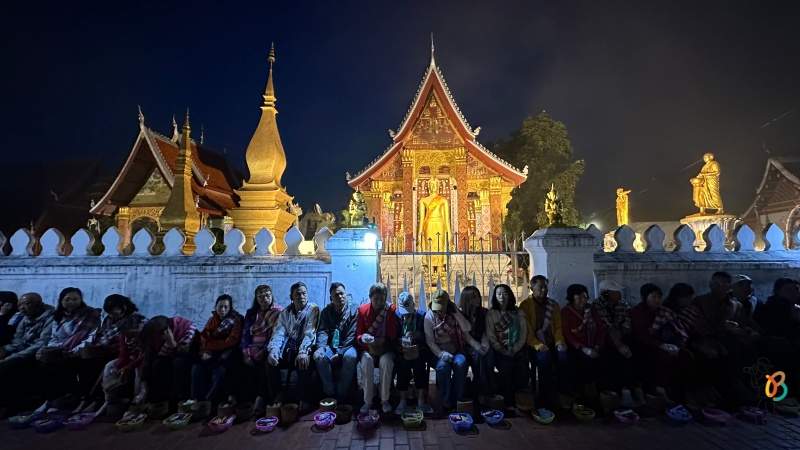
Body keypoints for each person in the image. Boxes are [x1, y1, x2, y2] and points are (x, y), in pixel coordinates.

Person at [36, 287, 101, 411]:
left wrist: (73, 351)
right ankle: (52, 399)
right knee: (44, 362)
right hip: (60, 350)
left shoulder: (90, 314)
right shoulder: (58, 315)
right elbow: (54, 337)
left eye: (75, 299)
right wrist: (53, 349)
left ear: (81, 300)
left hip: (78, 351)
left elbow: (90, 336)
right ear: (61, 301)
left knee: (69, 364)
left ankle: (68, 399)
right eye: (67, 299)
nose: (71, 302)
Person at [77, 294, 145, 412]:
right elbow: (101, 336)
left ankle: (100, 399)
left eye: (115, 311)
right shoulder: (108, 320)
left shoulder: (136, 319)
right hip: (108, 350)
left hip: (127, 352)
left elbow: (136, 343)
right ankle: (89, 399)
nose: (112, 315)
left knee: (107, 366)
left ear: (124, 307)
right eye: (110, 312)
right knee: (86, 363)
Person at [424, 289, 482, 414]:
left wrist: (455, 313)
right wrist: (441, 354)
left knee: (461, 363)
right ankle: (446, 400)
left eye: (442, 306)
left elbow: (467, 328)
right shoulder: (429, 316)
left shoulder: (454, 314)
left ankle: (458, 398)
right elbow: (430, 341)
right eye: (437, 307)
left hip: (456, 350)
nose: (439, 310)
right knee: (443, 367)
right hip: (438, 353)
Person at [267, 281, 320, 412]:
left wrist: (303, 352)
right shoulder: (285, 313)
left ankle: (304, 399)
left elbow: (310, 333)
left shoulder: (313, 309)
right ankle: (278, 394)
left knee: (304, 362)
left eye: (304, 293)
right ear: (291, 297)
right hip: (289, 347)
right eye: (297, 294)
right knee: (270, 361)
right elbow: (279, 333)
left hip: (306, 346)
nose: (301, 296)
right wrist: (274, 350)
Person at [0, 293, 54, 415]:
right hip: (21, 351)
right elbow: (18, 340)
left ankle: (10, 407)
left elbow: (42, 343)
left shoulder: (50, 317)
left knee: (6, 367)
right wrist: (6, 350)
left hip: (36, 353)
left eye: (27, 304)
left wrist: (12, 357)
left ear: (39, 304)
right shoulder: (24, 318)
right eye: (20, 305)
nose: (22, 308)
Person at [518, 275, 567, 410]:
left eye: (545, 287)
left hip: (551, 342)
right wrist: (538, 345)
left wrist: (559, 342)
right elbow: (526, 331)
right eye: (540, 287)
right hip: (534, 344)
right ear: (532, 288)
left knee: (563, 356)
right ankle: (544, 396)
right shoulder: (525, 306)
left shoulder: (553, 305)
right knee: (544, 358)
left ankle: (560, 392)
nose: (544, 290)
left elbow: (558, 327)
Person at [630, 283, 686, 398]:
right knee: (653, 357)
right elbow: (641, 335)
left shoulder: (665, 311)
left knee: (685, 356)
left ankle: (678, 393)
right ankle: (655, 391)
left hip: (666, 344)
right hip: (645, 345)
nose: (657, 300)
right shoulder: (637, 312)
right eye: (653, 297)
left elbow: (679, 330)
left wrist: (676, 345)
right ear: (645, 297)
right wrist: (661, 345)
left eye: (659, 297)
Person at [190, 294, 243, 410]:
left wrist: (211, 346)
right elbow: (204, 336)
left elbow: (231, 341)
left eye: (225, 307)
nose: (222, 310)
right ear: (216, 307)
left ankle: (209, 401)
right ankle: (197, 400)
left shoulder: (236, 320)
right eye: (220, 307)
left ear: (230, 308)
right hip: (211, 352)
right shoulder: (212, 320)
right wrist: (204, 351)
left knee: (219, 371)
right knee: (196, 368)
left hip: (226, 354)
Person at [138, 315, 197, 410]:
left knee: (178, 363)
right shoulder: (155, 335)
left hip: (188, 358)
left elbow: (186, 353)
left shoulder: (186, 328)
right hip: (170, 357)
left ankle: (178, 402)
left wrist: (172, 343)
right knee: (157, 364)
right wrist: (143, 385)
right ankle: (158, 403)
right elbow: (148, 358)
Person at [355, 282, 398, 414]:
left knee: (386, 362)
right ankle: (367, 401)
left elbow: (394, 335)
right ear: (370, 297)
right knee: (367, 361)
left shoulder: (390, 310)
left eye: (382, 298)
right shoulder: (362, 311)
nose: (379, 302)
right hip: (368, 349)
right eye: (376, 299)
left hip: (385, 349)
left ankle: (384, 399)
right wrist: (364, 338)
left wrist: (382, 341)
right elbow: (358, 334)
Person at [240, 285, 282, 415]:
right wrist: (246, 353)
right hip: (252, 348)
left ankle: (266, 398)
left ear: (272, 296)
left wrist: (263, 350)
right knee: (236, 361)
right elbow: (246, 334)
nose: (264, 298)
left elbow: (275, 334)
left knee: (267, 361)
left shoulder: (278, 312)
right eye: (261, 296)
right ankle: (245, 400)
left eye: (267, 295)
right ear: (256, 299)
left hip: (269, 346)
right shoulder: (251, 313)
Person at [314, 282, 358, 403]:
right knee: (319, 356)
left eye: (342, 293)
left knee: (350, 357)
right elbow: (322, 331)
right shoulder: (326, 312)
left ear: (346, 294)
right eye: (336, 295)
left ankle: (341, 394)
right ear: (331, 298)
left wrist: (340, 353)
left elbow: (352, 334)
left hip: (347, 345)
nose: (340, 297)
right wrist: (321, 347)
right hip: (330, 345)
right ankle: (330, 393)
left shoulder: (354, 310)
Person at [486, 284, 529, 408]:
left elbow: (523, 333)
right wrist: (502, 350)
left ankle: (521, 399)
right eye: (498, 294)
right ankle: (508, 401)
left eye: (505, 293)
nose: (502, 297)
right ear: (495, 296)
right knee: (505, 368)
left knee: (522, 367)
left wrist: (515, 349)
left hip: (517, 349)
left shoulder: (518, 313)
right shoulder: (491, 314)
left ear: (510, 295)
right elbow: (491, 336)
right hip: (500, 350)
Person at [561, 284, 606, 403]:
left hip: (594, 346)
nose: (583, 300)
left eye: (585, 297)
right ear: (572, 298)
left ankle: (602, 395)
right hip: (576, 347)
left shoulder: (591, 310)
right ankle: (583, 396)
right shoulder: (566, 312)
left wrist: (597, 346)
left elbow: (600, 329)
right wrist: (583, 348)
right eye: (579, 297)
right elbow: (567, 334)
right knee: (582, 361)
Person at [394, 291, 432, 414]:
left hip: (418, 350)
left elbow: (428, 337)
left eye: (409, 313)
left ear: (413, 306)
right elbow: (392, 337)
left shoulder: (421, 316)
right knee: (402, 364)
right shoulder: (396, 316)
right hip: (402, 351)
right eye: (404, 313)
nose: (406, 316)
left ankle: (421, 399)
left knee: (419, 363)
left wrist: (416, 335)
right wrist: (400, 342)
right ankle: (403, 399)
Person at [458, 286, 493, 407]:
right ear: (466, 299)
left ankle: (485, 389)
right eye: (473, 297)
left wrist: (485, 345)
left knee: (488, 355)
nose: (477, 299)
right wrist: (477, 346)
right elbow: (466, 336)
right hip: (466, 346)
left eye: (478, 296)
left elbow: (486, 332)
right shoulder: (461, 314)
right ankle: (480, 392)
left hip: (482, 343)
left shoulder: (484, 312)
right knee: (477, 356)